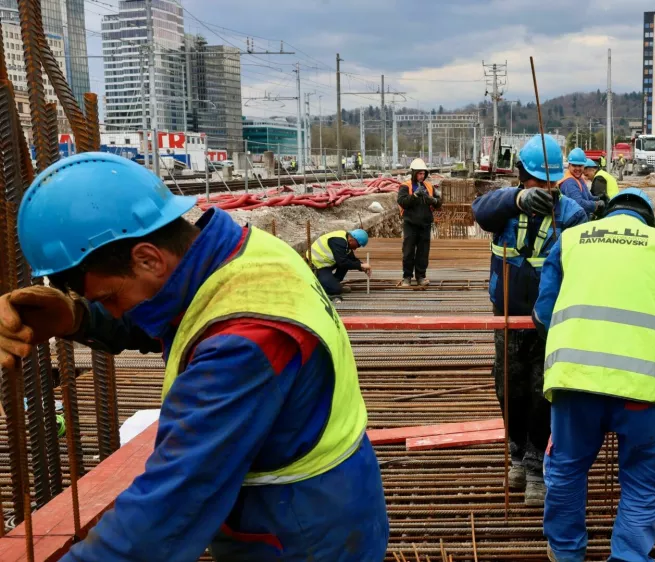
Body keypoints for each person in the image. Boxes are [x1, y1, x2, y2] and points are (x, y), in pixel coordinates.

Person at [0, 153, 388, 561]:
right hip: (322, 500)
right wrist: (77, 316)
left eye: (108, 298)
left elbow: (167, 513)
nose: (113, 310)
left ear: (148, 258)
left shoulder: (244, 343)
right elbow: (169, 311)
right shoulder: (244, 254)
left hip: (303, 535)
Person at [534, 188, 655, 562]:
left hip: (576, 381)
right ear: (648, 219)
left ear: (608, 212)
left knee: (566, 469)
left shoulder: (571, 240)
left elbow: (543, 316)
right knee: (644, 480)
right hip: (645, 391)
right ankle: (628, 557)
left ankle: (565, 552)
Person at [472, 134, 589, 506]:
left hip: (549, 321)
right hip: (506, 315)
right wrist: (517, 200)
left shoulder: (570, 214)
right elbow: (480, 211)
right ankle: (517, 453)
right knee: (508, 386)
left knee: (543, 391)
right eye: (534, 181)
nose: (540, 188)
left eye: (546, 182)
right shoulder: (505, 207)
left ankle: (537, 464)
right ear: (522, 175)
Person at [397, 158, 441, 286]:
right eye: (419, 173)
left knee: (423, 252)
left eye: (423, 173)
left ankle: (421, 276)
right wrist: (415, 196)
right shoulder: (406, 186)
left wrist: (433, 200)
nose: (422, 176)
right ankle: (407, 277)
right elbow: (402, 202)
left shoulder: (429, 186)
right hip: (410, 224)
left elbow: (439, 202)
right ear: (414, 173)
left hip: (425, 224)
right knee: (408, 251)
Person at [309, 228, 372, 301]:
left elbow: (351, 259)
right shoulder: (338, 241)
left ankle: (333, 282)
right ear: (352, 240)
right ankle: (326, 285)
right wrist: (360, 265)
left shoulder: (346, 240)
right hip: (317, 264)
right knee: (335, 290)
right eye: (357, 245)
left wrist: (362, 266)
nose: (356, 248)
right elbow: (342, 262)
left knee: (347, 261)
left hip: (326, 262)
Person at [558, 147, 603, 217]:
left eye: (580, 165)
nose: (577, 168)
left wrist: (599, 198)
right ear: (569, 165)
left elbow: (588, 197)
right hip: (574, 221)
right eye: (574, 165)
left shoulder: (579, 178)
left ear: (584, 166)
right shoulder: (569, 182)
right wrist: (596, 204)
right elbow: (579, 203)